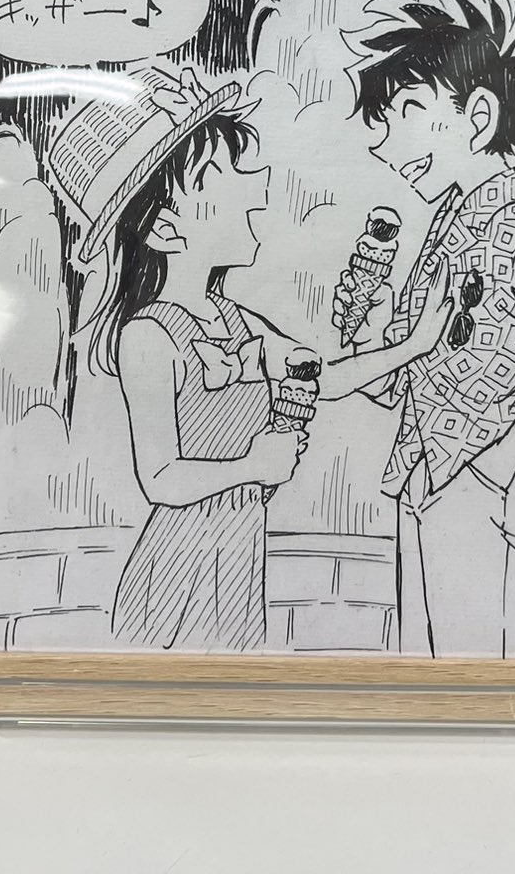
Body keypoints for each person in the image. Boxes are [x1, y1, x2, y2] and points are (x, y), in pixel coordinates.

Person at [321, 0, 515, 658]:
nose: (387, 141)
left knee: (479, 667)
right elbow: (409, 371)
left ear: (477, 117)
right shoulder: (446, 224)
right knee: (424, 661)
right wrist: (367, 329)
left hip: (479, 482)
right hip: (422, 475)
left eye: (409, 111)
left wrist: (498, 465)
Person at [47, 66, 317, 652]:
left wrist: (412, 346)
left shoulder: (236, 319)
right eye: (223, 173)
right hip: (179, 572)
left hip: (238, 565)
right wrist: (253, 466)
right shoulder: (149, 337)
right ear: (167, 229)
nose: (255, 186)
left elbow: (317, 371)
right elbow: (160, 476)